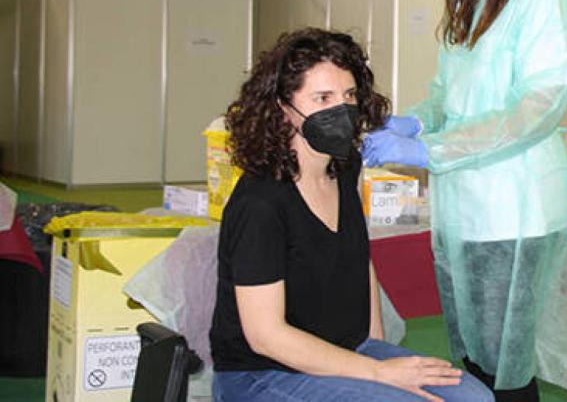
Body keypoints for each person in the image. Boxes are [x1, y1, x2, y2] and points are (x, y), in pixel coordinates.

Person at [363, 0, 567, 401]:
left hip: (515, 209)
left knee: (507, 372)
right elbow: (449, 91)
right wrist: (415, 123)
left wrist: (433, 151)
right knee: (474, 362)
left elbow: (535, 109)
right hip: (464, 207)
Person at [209, 28, 493, 402]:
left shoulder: (343, 167)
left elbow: (359, 259)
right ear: (282, 108)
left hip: (346, 351)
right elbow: (266, 336)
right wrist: (378, 372)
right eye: (322, 97)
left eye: (349, 95)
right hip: (262, 375)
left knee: (477, 399)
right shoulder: (260, 204)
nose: (340, 110)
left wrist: (375, 345)